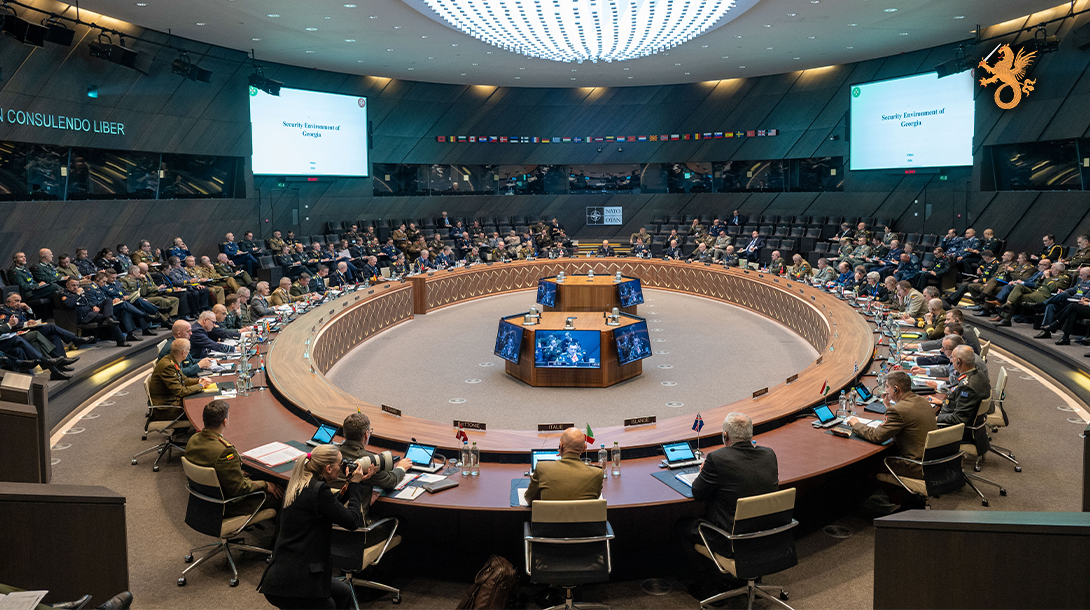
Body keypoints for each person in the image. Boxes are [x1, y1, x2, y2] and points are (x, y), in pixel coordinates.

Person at [258, 444, 372, 610]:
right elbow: (352, 521)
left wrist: (350, 483)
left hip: (283, 573)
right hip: (297, 581)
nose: (342, 467)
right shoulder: (319, 491)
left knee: (344, 593)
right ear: (328, 468)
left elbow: (330, 506)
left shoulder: (301, 483)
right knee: (330, 606)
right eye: (340, 464)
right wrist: (354, 486)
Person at [689, 413, 778, 557]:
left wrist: (703, 472)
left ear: (725, 436)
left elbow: (697, 492)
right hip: (767, 534)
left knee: (681, 527)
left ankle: (710, 571)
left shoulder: (717, 459)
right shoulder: (769, 454)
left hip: (731, 539)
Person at [186, 400, 283, 517]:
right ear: (225, 422)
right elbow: (239, 489)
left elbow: (209, 463)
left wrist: (235, 472)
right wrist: (265, 484)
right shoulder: (225, 451)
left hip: (204, 499)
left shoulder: (193, 439)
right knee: (282, 496)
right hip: (227, 504)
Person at [845, 371, 936, 478]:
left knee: (868, 464)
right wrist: (888, 406)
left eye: (887, 387)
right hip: (934, 461)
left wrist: (856, 424)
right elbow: (904, 416)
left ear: (896, 389)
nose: (886, 390)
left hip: (916, 466)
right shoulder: (923, 401)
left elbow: (876, 436)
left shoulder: (898, 411)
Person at [339, 413, 412, 518]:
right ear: (366, 434)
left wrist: (367, 494)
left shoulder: (333, 455)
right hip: (356, 520)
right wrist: (401, 468)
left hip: (331, 516)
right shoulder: (367, 461)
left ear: (344, 433)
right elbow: (390, 480)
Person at [935, 345, 991, 453]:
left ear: (959, 362)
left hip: (959, 431)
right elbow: (963, 403)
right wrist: (943, 402)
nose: (951, 360)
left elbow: (959, 418)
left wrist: (937, 418)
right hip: (971, 424)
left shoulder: (967, 387)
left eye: (952, 358)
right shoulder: (977, 373)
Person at [524, 427, 603, 502]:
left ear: (561, 446)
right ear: (584, 448)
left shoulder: (542, 468)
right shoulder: (597, 474)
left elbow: (529, 499)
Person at [60, 277, 129, 347]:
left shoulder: (78, 293)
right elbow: (68, 305)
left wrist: (93, 306)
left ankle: (108, 317)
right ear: (67, 285)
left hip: (91, 311)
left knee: (108, 300)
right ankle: (121, 340)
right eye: (73, 285)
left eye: (77, 285)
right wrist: (78, 294)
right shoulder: (65, 295)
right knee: (113, 318)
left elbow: (86, 302)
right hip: (84, 316)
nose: (75, 287)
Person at [147, 338, 211, 405]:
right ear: (183, 352)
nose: (189, 352)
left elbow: (183, 379)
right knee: (201, 402)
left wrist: (199, 380)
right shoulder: (168, 366)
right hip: (168, 404)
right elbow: (180, 392)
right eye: (188, 350)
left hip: (173, 398)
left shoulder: (173, 359)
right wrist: (201, 385)